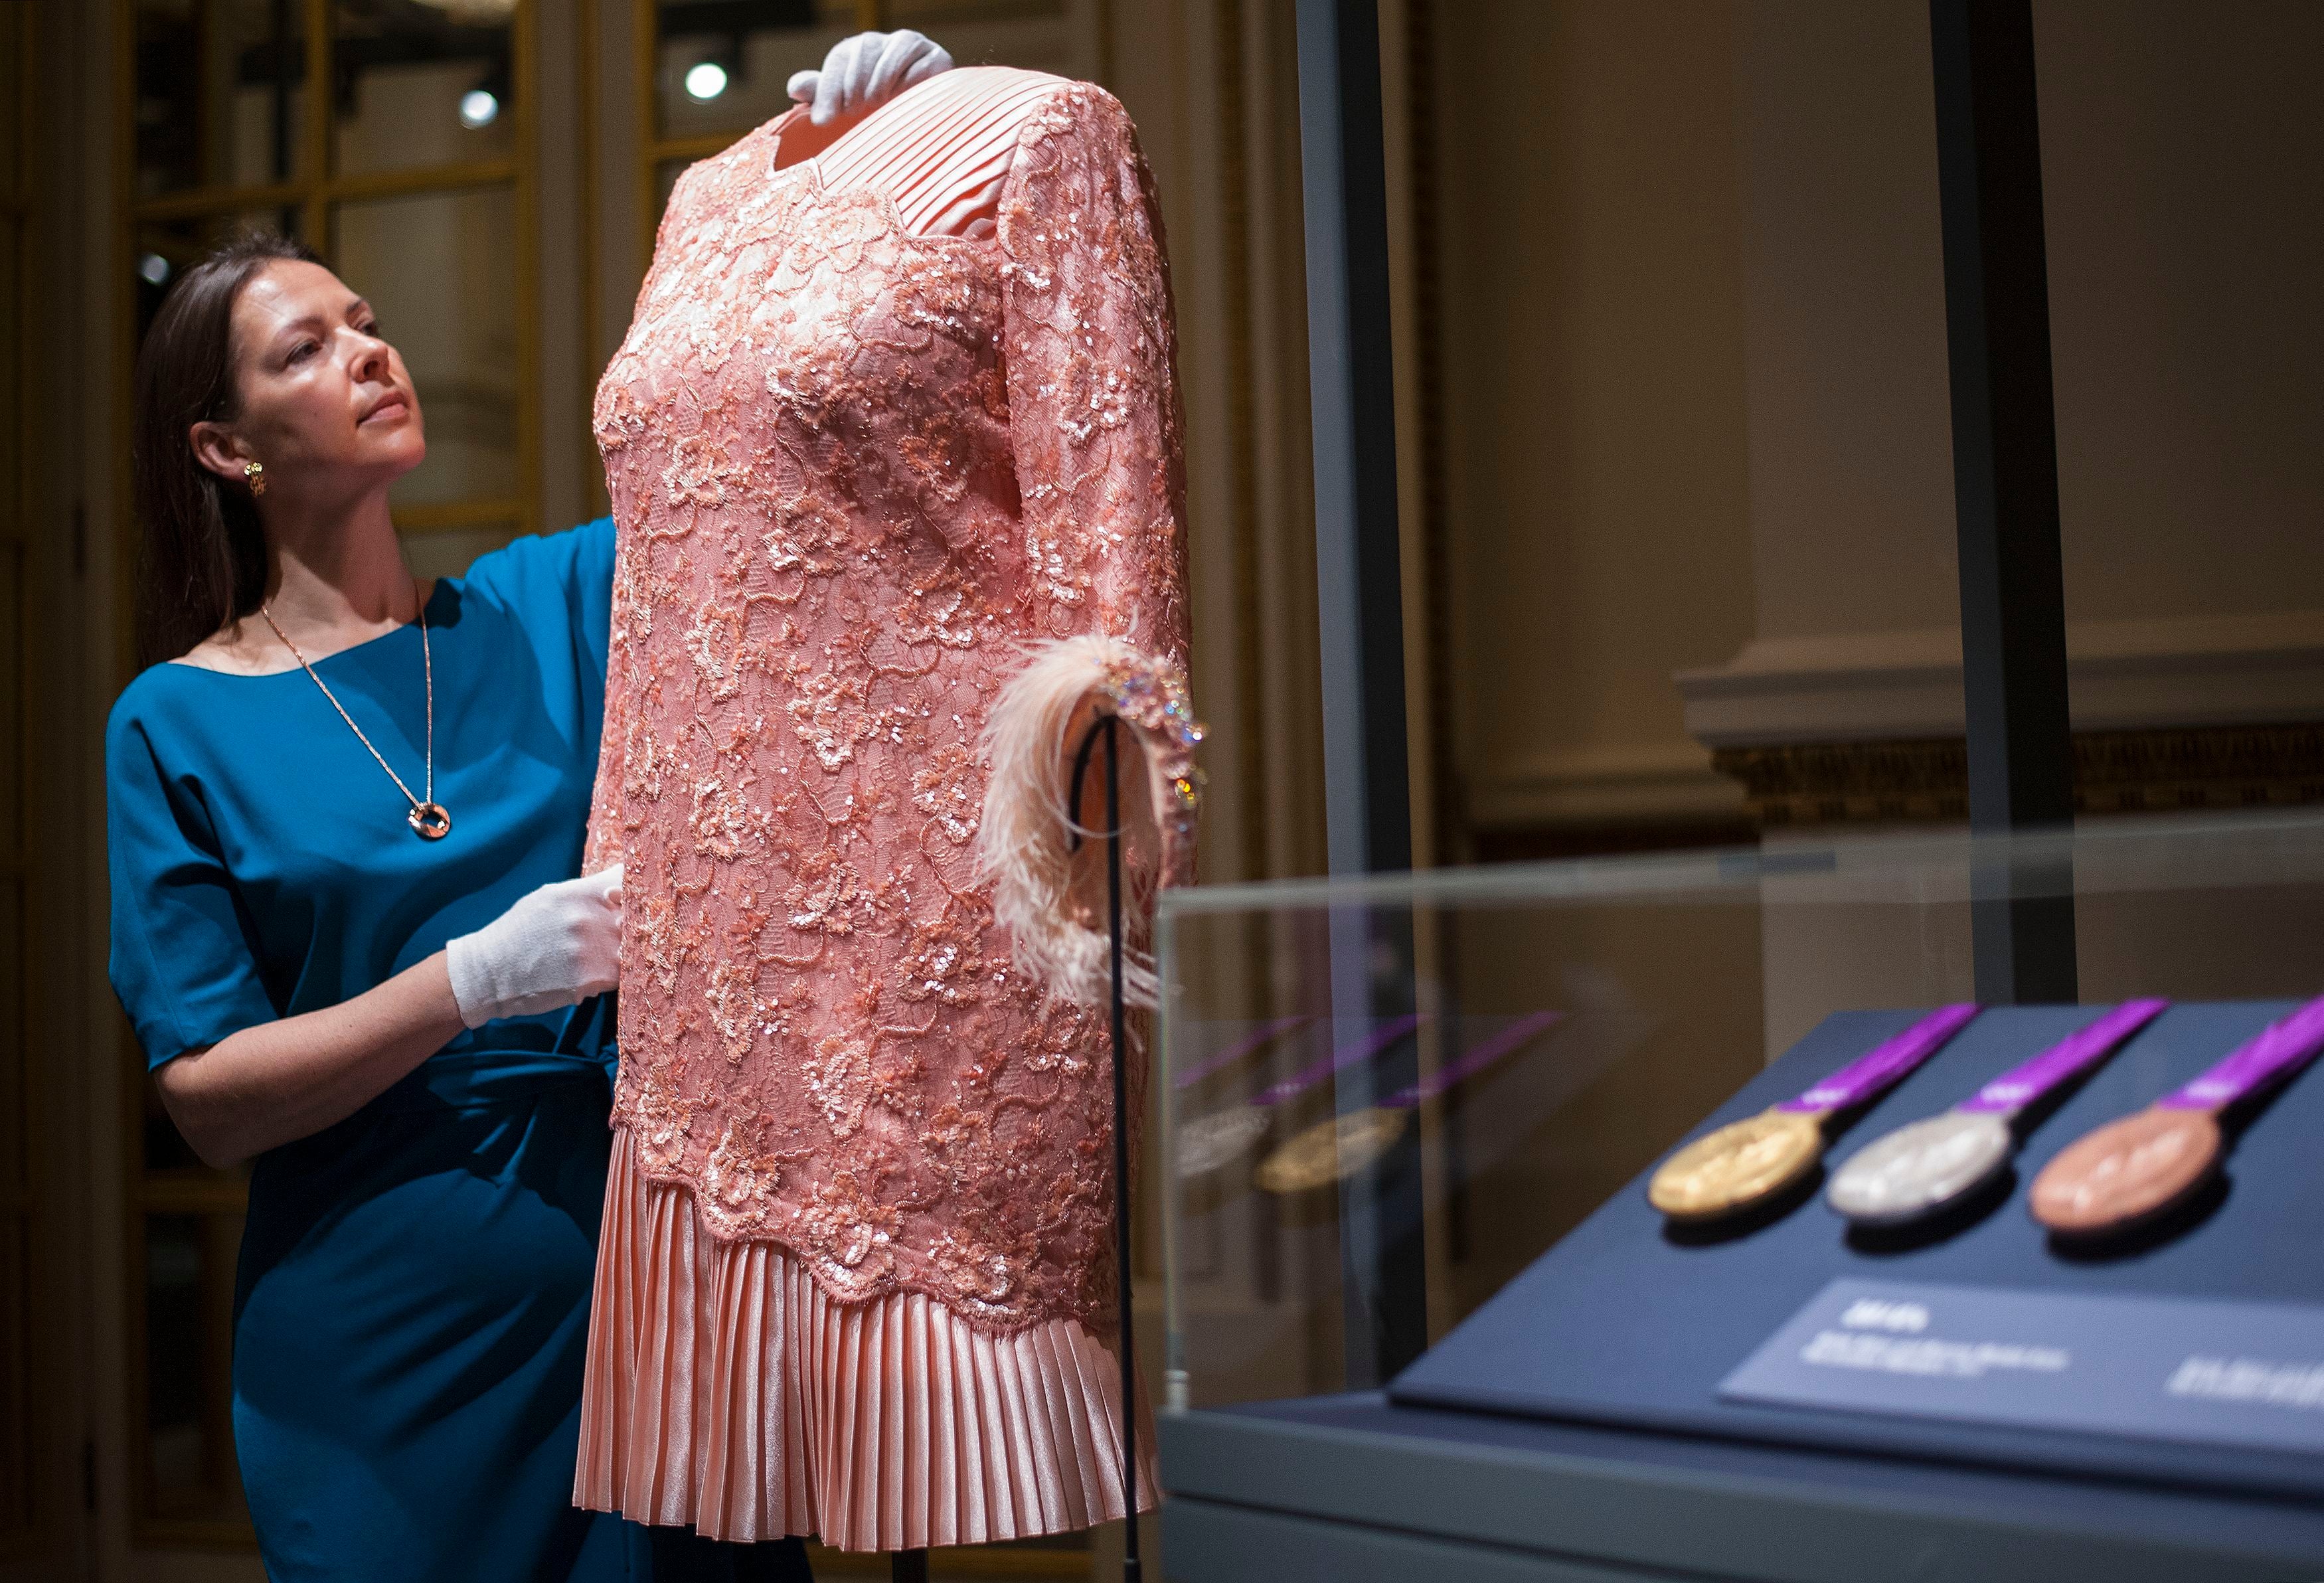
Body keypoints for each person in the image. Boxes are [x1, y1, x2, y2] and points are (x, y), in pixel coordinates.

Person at [104, 34, 952, 1582]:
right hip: (388, 1352)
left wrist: (863, 171)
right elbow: (211, 1096)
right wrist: (470, 979)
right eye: (304, 351)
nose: (369, 353)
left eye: (368, 324)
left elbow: (783, 449)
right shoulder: (177, 720)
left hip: (654, 1299)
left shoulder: (555, 600)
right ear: (226, 448)